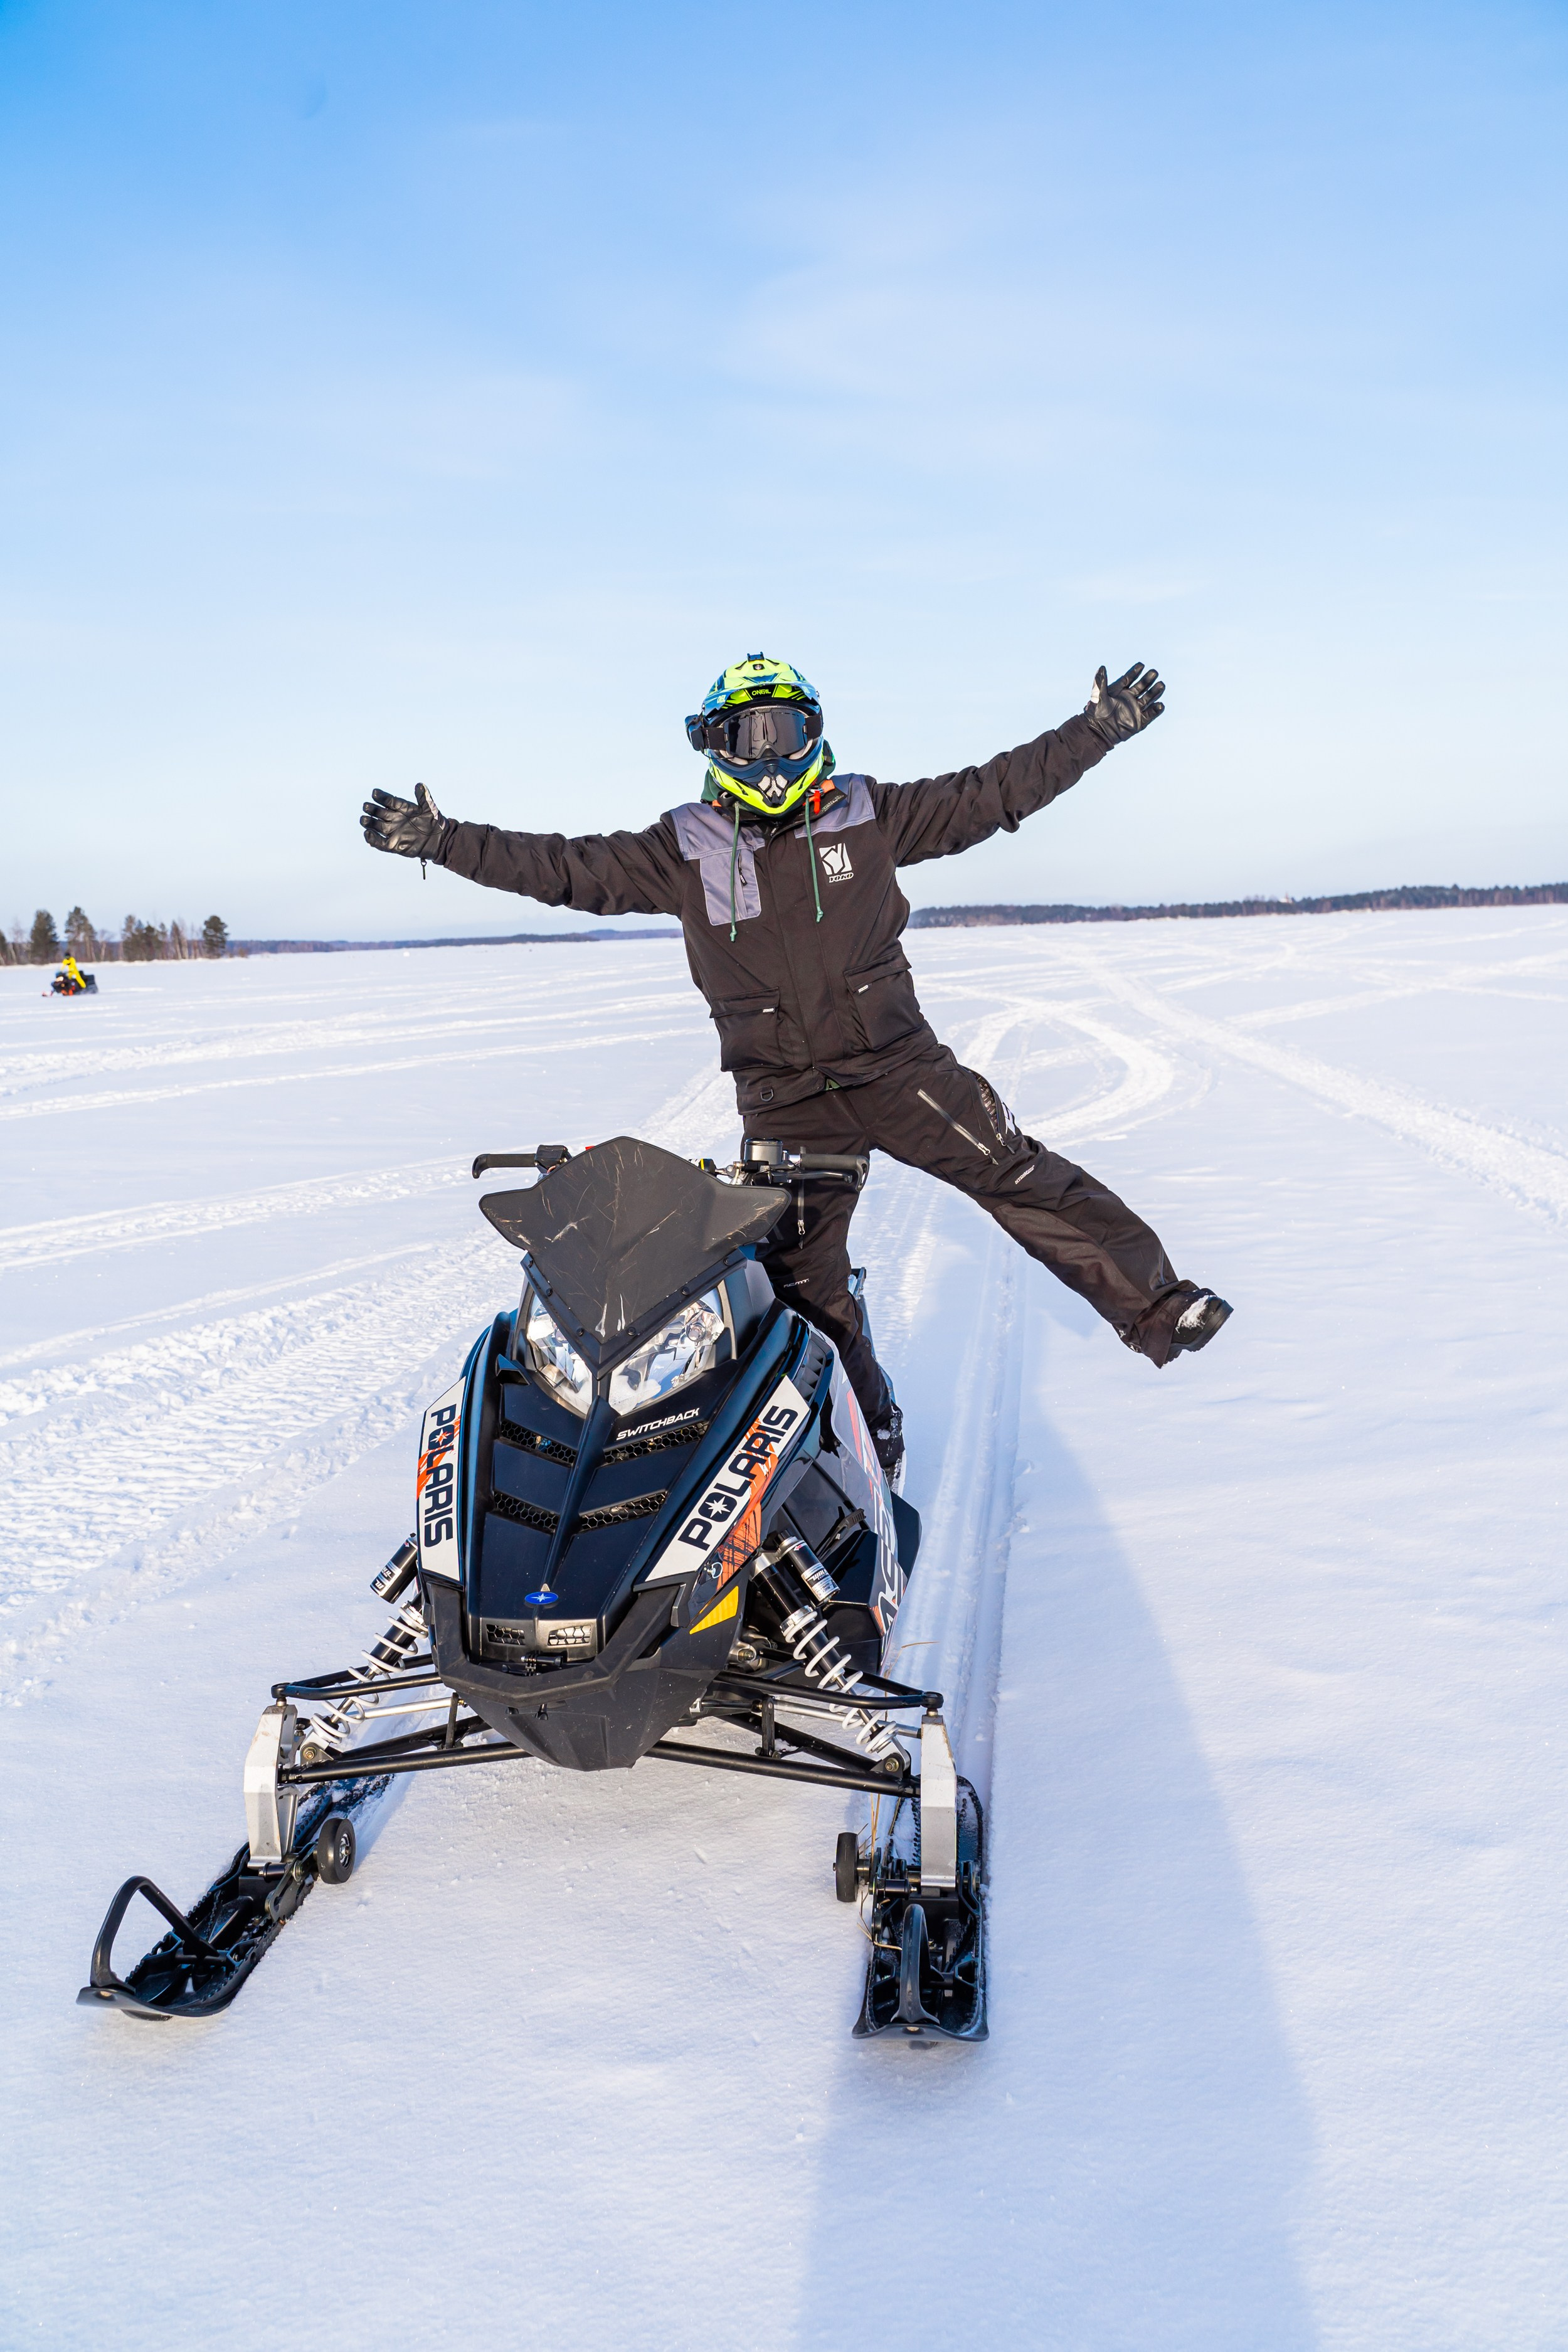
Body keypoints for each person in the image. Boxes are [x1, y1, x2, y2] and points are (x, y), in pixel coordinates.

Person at [361, 654, 1231, 1475]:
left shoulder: (869, 813)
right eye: (748, 736)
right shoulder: (681, 847)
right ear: (714, 746)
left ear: (815, 731)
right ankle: (867, 1428)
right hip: (784, 1099)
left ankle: (1158, 1305)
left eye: (785, 729)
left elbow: (995, 791)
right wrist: (444, 840)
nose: (770, 754)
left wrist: (1095, 731)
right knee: (799, 1286)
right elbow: (558, 867)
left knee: (1017, 1172)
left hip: (900, 1067)